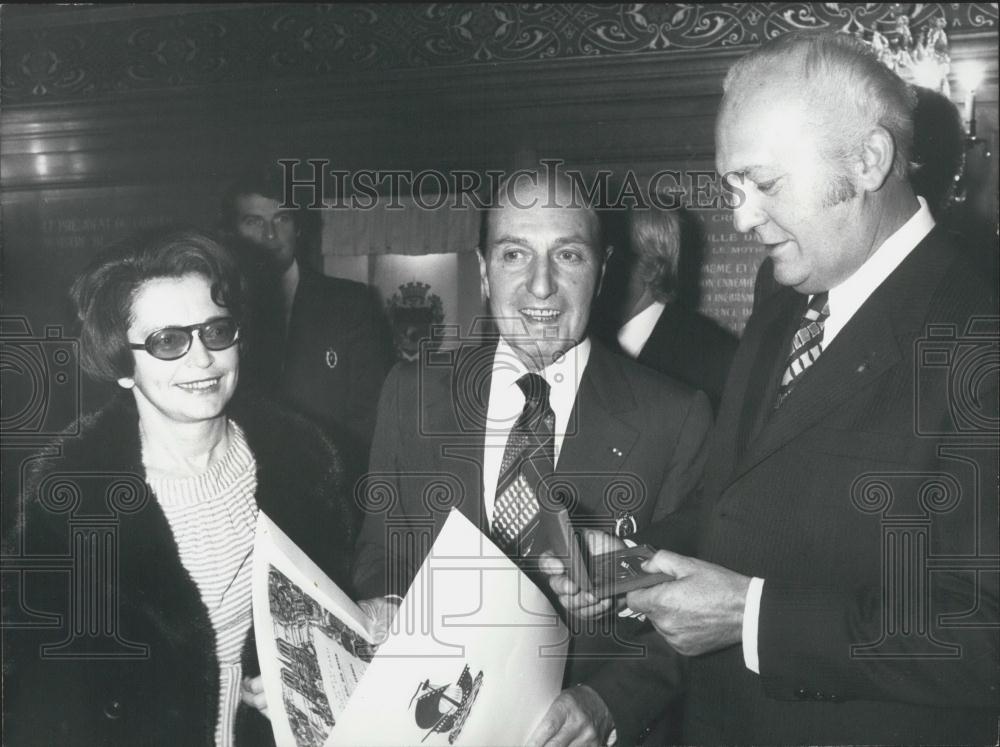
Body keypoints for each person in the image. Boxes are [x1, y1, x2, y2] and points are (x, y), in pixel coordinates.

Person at [535, 32, 998, 746]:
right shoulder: (782, 294)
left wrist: (751, 618)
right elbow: (738, 496)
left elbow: (982, 630)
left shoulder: (979, 325)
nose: (742, 217)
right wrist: (631, 562)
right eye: (732, 187)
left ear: (869, 159)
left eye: (765, 183)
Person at [352, 169, 712, 717]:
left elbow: (688, 612)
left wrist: (604, 702)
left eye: (567, 256)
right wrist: (386, 606)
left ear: (603, 270)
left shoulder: (675, 417)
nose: (540, 286)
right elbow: (383, 555)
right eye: (514, 254)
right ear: (483, 271)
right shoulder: (412, 394)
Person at [4, 229, 357, 745]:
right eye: (168, 341)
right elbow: (40, 702)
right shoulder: (70, 503)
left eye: (216, 331)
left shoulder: (306, 463)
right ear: (121, 365)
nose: (202, 360)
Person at [220, 164, 393, 482]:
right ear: (233, 232)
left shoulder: (351, 306)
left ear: (299, 228)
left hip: (329, 490)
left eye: (282, 219)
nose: (269, 236)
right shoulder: (214, 308)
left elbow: (372, 421)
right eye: (254, 221)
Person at [599, 205, 737, 411]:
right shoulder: (592, 342)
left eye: (608, 259)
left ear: (652, 269)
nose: (595, 271)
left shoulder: (715, 356)